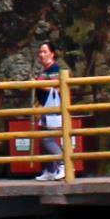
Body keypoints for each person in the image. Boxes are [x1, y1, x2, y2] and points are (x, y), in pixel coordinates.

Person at [32, 41, 73, 179]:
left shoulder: (55, 69)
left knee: (47, 139)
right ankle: (51, 170)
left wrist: (38, 83)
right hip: (45, 108)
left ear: (52, 53)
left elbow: (55, 87)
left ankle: (63, 164)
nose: (42, 55)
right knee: (44, 138)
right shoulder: (44, 70)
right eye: (40, 52)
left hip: (53, 108)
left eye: (45, 52)